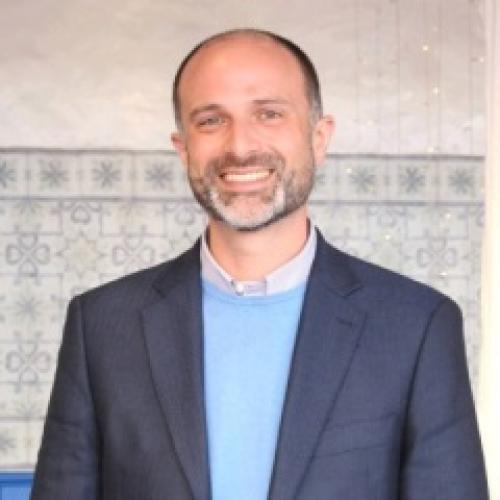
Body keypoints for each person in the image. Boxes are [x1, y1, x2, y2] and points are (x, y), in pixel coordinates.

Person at [31, 29, 489, 500]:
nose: (240, 145)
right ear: (183, 147)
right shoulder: (102, 325)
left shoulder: (415, 325)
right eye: (211, 120)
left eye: (269, 114)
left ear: (319, 137)